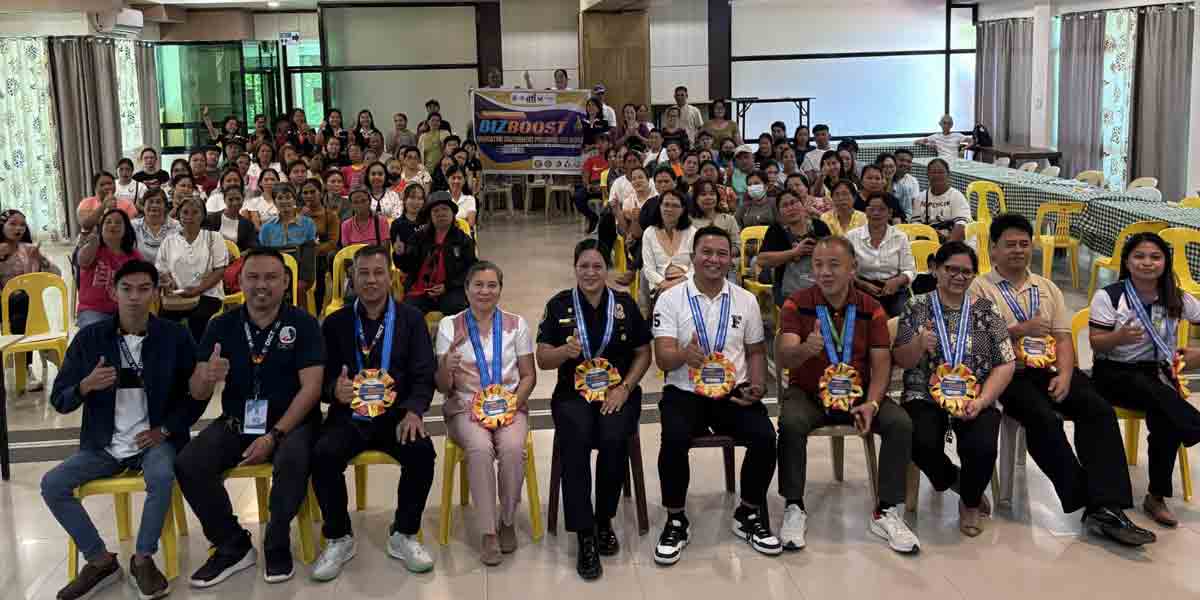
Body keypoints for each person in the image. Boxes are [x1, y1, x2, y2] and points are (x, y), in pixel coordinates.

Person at [970, 213, 1155, 546]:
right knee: (1043, 418)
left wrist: (1067, 375)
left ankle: (1109, 503)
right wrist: (1018, 330)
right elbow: (977, 342)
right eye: (1009, 244)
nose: (1018, 250)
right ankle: (1090, 503)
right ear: (993, 249)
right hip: (1007, 373)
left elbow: (1064, 338)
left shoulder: (1047, 287)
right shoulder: (979, 288)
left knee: (1098, 409)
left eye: (1024, 244)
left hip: (1050, 370)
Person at [43, 260, 200, 600]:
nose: (135, 297)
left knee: (161, 476)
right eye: (126, 289)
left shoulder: (175, 336)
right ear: (113, 293)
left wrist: (166, 430)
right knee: (52, 484)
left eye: (144, 289)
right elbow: (60, 399)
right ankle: (100, 561)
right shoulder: (90, 339)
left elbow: (195, 397)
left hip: (154, 440)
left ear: (156, 294)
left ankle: (143, 558)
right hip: (103, 445)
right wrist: (85, 385)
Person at [178, 248, 324, 586]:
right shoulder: (221, 325)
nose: (262, 285)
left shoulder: (303, 324)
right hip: (237, 421)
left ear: (285, 282)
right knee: (189, 463)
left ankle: (276, 540)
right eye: (253, 277)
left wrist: (274, 435)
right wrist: (207, 377)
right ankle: (232, 545)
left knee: (292, 459)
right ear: (239, 282)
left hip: (292, 423)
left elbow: (312, 388)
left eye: (271, 277)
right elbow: (197, 391)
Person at [774, 236, 918, 553]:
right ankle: (794, 506)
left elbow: (882, 364)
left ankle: (886, 510)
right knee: (790, 423)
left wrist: (873, 403)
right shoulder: (796, 303)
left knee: (899, 423)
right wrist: (804, 350)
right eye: (818, 265)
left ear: (853, 268)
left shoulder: (871, 308)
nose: (824, 272)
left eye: (834, 265)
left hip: (859, 394)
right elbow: (785, 357)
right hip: (809, 392)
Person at [650, 226, 777, 564]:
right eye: (707, 252)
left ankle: (748, 512)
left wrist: (758, 385)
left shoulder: (745, 299)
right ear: (692, 257)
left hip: (732, 391)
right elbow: (662, 358)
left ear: (731, 259)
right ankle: (676, 519)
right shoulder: (671, 298)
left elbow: (756, 351)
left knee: (765, 437)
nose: (714, 260)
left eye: (722, 253)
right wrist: (683, 355)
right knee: (674, 439)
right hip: (685, 390)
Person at [310, 246, 437, 580]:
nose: (371, 280)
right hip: (349, 414)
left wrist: (414, 411)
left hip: (397, 414)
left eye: (378, 272)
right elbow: (320, 378)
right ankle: (339, 537)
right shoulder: (335, 323)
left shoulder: (411, 319)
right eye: (363, 273)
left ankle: (403, 533)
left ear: (390, 277)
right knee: (322, 455)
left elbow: (424, 373)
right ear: (351, 278)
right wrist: (332, 390)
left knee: (422, 453)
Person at [535, 239, 652, 580]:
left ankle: (604, 520)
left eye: (597, 266)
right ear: (575, 268)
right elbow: (542, 358)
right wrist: (563, 353)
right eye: (584, 266)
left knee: (614, 437)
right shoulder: (559, 305)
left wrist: (625, 388)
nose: (590, 272)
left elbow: (644, 353)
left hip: (618, 391)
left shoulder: (624, 304)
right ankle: (584, 532)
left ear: (607, 269)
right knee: (576, 439)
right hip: (573, 395)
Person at [893, 241, 1015, 537]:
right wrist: (918, 345)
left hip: (975, 395)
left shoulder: (986, 310)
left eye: (966, 272)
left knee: (982, 445)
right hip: (924, 394)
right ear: (935, 269)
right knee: (917, 440)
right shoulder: (916, 306)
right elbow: (902, 359)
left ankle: (970, 503)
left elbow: (1006, 362)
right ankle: (956, 480)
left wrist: (983, 400)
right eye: (951, 269)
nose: (959, 277)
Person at [1088, 232, 1200, 527]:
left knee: (1167, 418)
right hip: (1113, 373)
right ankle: (1194, 425)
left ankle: (1156, 497)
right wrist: (1118, 337)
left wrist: (1198, 353)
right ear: (1127, 261)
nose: (1147, 263)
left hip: (1156, 372)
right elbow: (1096, 343)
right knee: (1161, 397)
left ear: (1165, 262)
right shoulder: (1110, 296)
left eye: (1155, 257)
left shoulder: (1176, 296)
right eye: (1139, 256)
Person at [434, 261, 536, 565]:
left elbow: (528, 376)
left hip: (510, 405)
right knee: (479, 448)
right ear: (466, 290)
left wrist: (512, 404)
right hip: (465, 407)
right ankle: (488, 531)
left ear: (500, 290)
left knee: (513, 448)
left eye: (492, 285)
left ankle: (507, 519)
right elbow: (442, 387)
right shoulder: (449, 326)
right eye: (478, 285)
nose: (485, 291)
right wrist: (445, 368)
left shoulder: (516, 324)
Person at [0, 209, 61, 389]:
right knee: (23, 302)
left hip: (24, 308)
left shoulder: (28, 249)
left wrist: (40, 260)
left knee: (23, 307)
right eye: (12, 224)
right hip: (2, 305)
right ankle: (45, 350)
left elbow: (57, 274)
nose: (18, 228)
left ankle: (25, 369)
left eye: (22, 225)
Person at [156, 196, 229, 342]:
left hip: (208, 294)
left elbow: (219, 270)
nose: (189, 217)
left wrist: (197, 290)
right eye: (185, 212)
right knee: (164, 324)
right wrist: (169, 281)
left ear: (202, 215)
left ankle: (199, 354)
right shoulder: (169, 240)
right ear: (179, 215)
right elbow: (161, 269)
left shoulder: (214, 237)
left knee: (198, 320)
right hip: (178, 295)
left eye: (195, 212)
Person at [400, 191, 477, 315]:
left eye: (445, 209)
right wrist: (400, 254)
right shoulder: (419, 237)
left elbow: (471, 269)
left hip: (451, 289)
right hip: (421, 288)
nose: (440, 213)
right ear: (430, 216)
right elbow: (407, 266)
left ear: (453, 213)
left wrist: (447, 286)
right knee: (408, 310)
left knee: (455, 307)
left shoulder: (463, 240)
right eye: (435, 211)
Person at [757, 188, 832, 307]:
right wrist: (794, 253)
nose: (791, 208)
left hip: (820, 283)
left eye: (793, 202)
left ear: (802, 204)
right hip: (787, 289)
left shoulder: (819, 226)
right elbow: (762, 260)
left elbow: (833, 254)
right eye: (785, 205)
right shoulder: (776, 230)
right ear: (779, 212)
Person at [847, 192, 914, 317]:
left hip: (894, 289)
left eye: (882, 209)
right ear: (866, 212)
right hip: (861, 287)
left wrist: (897, 281)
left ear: (890, 213)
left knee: (903, 317)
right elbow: (845, 269)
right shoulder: (852, 236)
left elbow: (910, 270)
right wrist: (861, 284)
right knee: (861, 317)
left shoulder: (900, 237)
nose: (876, 213)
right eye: (871, 209)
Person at [76, 209, 143, 329]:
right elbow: (82, 262)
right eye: (108, 222)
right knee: (97, 333)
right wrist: (93, 244)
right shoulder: (94, 248)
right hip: (93, 310)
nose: (113, 225)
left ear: (126, 229)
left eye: (118, 222)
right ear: (101, 228)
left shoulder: (134, 255)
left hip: (125, 310)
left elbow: (144, 280)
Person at [641, 189, 695, 304]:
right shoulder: (649, 233)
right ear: (660, 207)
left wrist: (677, 284)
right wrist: (664, 284)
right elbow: (648, 269)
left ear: (683, 209)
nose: (669, 209)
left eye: (675, 206)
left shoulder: (692, 232)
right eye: (666, 204)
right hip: (660, 285)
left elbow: (695, 266)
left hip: (686, 283)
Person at [912, 158, 970, 242]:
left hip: (952, 243)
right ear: (927, 175)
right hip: (927, 241)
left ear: (948, 174)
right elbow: (915, 225)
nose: (937, 175)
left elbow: (961, 225)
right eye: (933, 172)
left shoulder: (956, 196)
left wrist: (947, 245)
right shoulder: (920, 197)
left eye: (941, 172)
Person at [131, 189, 181, 266]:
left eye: (158, 202)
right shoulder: (133, 226)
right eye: (150, 202)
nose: (154, 205)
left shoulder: (177, 227)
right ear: (143, 206)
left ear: (165, 207)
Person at [205, 185, 257, 252]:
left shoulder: (248, 224)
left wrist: (241, 254)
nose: (235, 203)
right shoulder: (212, 219)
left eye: (238, 199)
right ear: (224, 200)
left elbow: (251, 247)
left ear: (243, 199)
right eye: (230, 199)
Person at [576, 133, 611, 233]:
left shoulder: (612, 159)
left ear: (609, 144)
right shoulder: (591, 159)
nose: (600, 145)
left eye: (603, 142)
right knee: (578, 196)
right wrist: (587, 185)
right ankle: (592, 217)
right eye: (598, 142)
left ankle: (606, 224)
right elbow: (585, 175)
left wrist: (603, 186)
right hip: (592, 186)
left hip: (606, 186)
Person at [389, 184, 426, 266]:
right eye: (412, 197)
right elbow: (398, 261)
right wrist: (399, 253)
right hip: (407, 267)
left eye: (420, 198)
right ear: (405, 199)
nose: (416, 202)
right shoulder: (397, 224)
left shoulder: (429, 222)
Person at [446, 164, 478, 230]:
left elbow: (471, 223)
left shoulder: (470, 199)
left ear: (464, 180)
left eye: (459, 178)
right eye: (453, 178)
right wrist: (463, 220)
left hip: (465, 234)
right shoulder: (442, 197)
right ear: (447, 180)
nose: (456, 181)